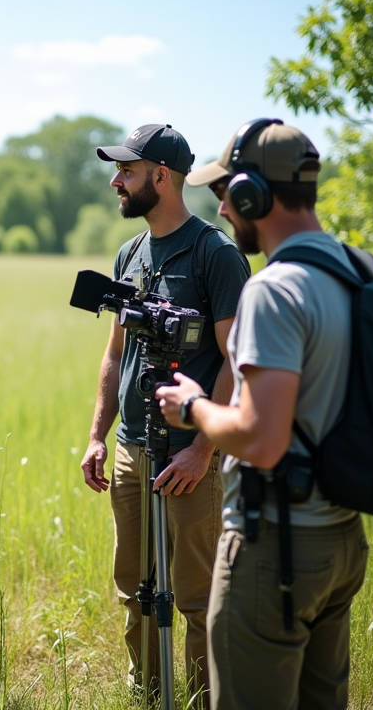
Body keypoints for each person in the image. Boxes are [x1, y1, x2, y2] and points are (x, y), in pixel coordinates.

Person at [157, 119, 371, 710]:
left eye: (226, 191)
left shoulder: (274, 290)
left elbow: (261, 438)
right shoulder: (361, 271)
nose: (221, 208)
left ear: (253, 193)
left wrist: (195, 408)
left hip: (273, 546)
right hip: (342, 539)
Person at [82, 124, 251, 703]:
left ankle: (205, 699)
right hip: (131, 448)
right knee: (135, 588)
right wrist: (97, 436)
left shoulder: (215, 253)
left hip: (189, 454)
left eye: (127, 172)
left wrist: (203, 449)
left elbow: (238, 359)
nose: (116, 181)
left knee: (198, 596)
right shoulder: (129, 252)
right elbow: (114, 353)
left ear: (161, 177)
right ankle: (148, 695)